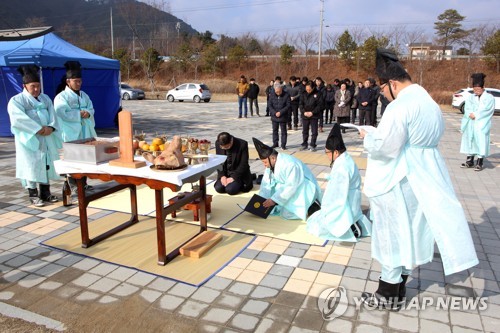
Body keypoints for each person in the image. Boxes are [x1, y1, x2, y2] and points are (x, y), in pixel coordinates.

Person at [359, 49, 479, 310]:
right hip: (423, 174)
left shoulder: (401, 106)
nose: (382, 95)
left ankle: (387, 293)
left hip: (399, 177)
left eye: (382, 90)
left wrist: (368, 137)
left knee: (392, 232)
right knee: (410, 230)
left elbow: (386, 146)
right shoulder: (428, 102)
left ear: (392, 84)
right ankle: (400, 286)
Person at [7, 65, 62, 207]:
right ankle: (33, 194)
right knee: (30, 164)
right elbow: (18, 119)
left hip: (46, 136)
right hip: (29, 139)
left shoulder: (45, 98)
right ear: (24, 86)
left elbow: (53, 115)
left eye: (38, 86)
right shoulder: (16, 100)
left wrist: (51, 127)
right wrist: (37, 129)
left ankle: (46, 193)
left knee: (45, 163)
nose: (36, 89)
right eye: (33, 86)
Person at [307, 123, 371, 241]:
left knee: (318, 227)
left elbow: (336, 194)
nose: (326, 156)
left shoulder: (342, 167)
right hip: (350, 198)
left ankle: (352, 227)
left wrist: (326, 207)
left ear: (335, 152)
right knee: (315, 220)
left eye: (327, 153)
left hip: (346, 201)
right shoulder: (344, 159)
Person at [253, 137, 322, 220]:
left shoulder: (290, 164)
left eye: (265, 162)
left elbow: (291, 185)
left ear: (273, 158)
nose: (264, 165)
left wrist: (274, 200)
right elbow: (266, 184)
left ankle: (311, 205)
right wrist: (261, 201)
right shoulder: (270, 165)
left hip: (301, 187)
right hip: (285, 190)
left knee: (288, 214)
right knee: (276, 209)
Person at [54, 61, 96, 192]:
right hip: (71, 132)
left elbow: (91, 108)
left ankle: (83, 183)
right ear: (68, 82)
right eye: (75, 81)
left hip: (85, 130)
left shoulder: (84, 95)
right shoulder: (61, 97)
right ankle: (74, 185)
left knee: (86, 157)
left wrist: (88, 113)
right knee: (73, 158)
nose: (78, 84)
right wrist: (79, 114)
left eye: (80, 81)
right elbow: (61, 112)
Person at [459, 73, 495, 171]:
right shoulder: (471, 97)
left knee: (481, 141)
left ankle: (480, 161)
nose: (476, 91)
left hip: (481, 123)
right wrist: (470, 114)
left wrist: (476, 114)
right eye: (475, 89)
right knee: (471, 140)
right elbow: (467, 108)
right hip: (471, 123)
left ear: (483, 87)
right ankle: (469, 160)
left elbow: (487, 110)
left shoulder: (489, 98)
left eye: (478, 89)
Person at [299, 81, 321, 152]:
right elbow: (300, 104)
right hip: (305, 115)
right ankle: (304, 144)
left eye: (309, 89)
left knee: (314, 131)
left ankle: (312, 144)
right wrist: (304, 112)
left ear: (313, 88)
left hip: (314, 115)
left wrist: (312, 112)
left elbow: (320, 105)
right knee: (305, 131)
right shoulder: (303, 94)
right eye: (307, 89)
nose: (308, 91)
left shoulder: (318, 94)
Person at [268, 82, 291, 150]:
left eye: (279, 92)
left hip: (283, 116)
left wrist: (281, 112)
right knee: (275, 130)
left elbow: (288, 105)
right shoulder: (272, 95)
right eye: (276, 92)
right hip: (274, 116)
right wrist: (274, 112)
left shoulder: (286, 95)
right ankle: (275, 143)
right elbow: (270, 105)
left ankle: (283, 144)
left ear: (281, 89)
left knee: (283, 131)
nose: (278, 93)